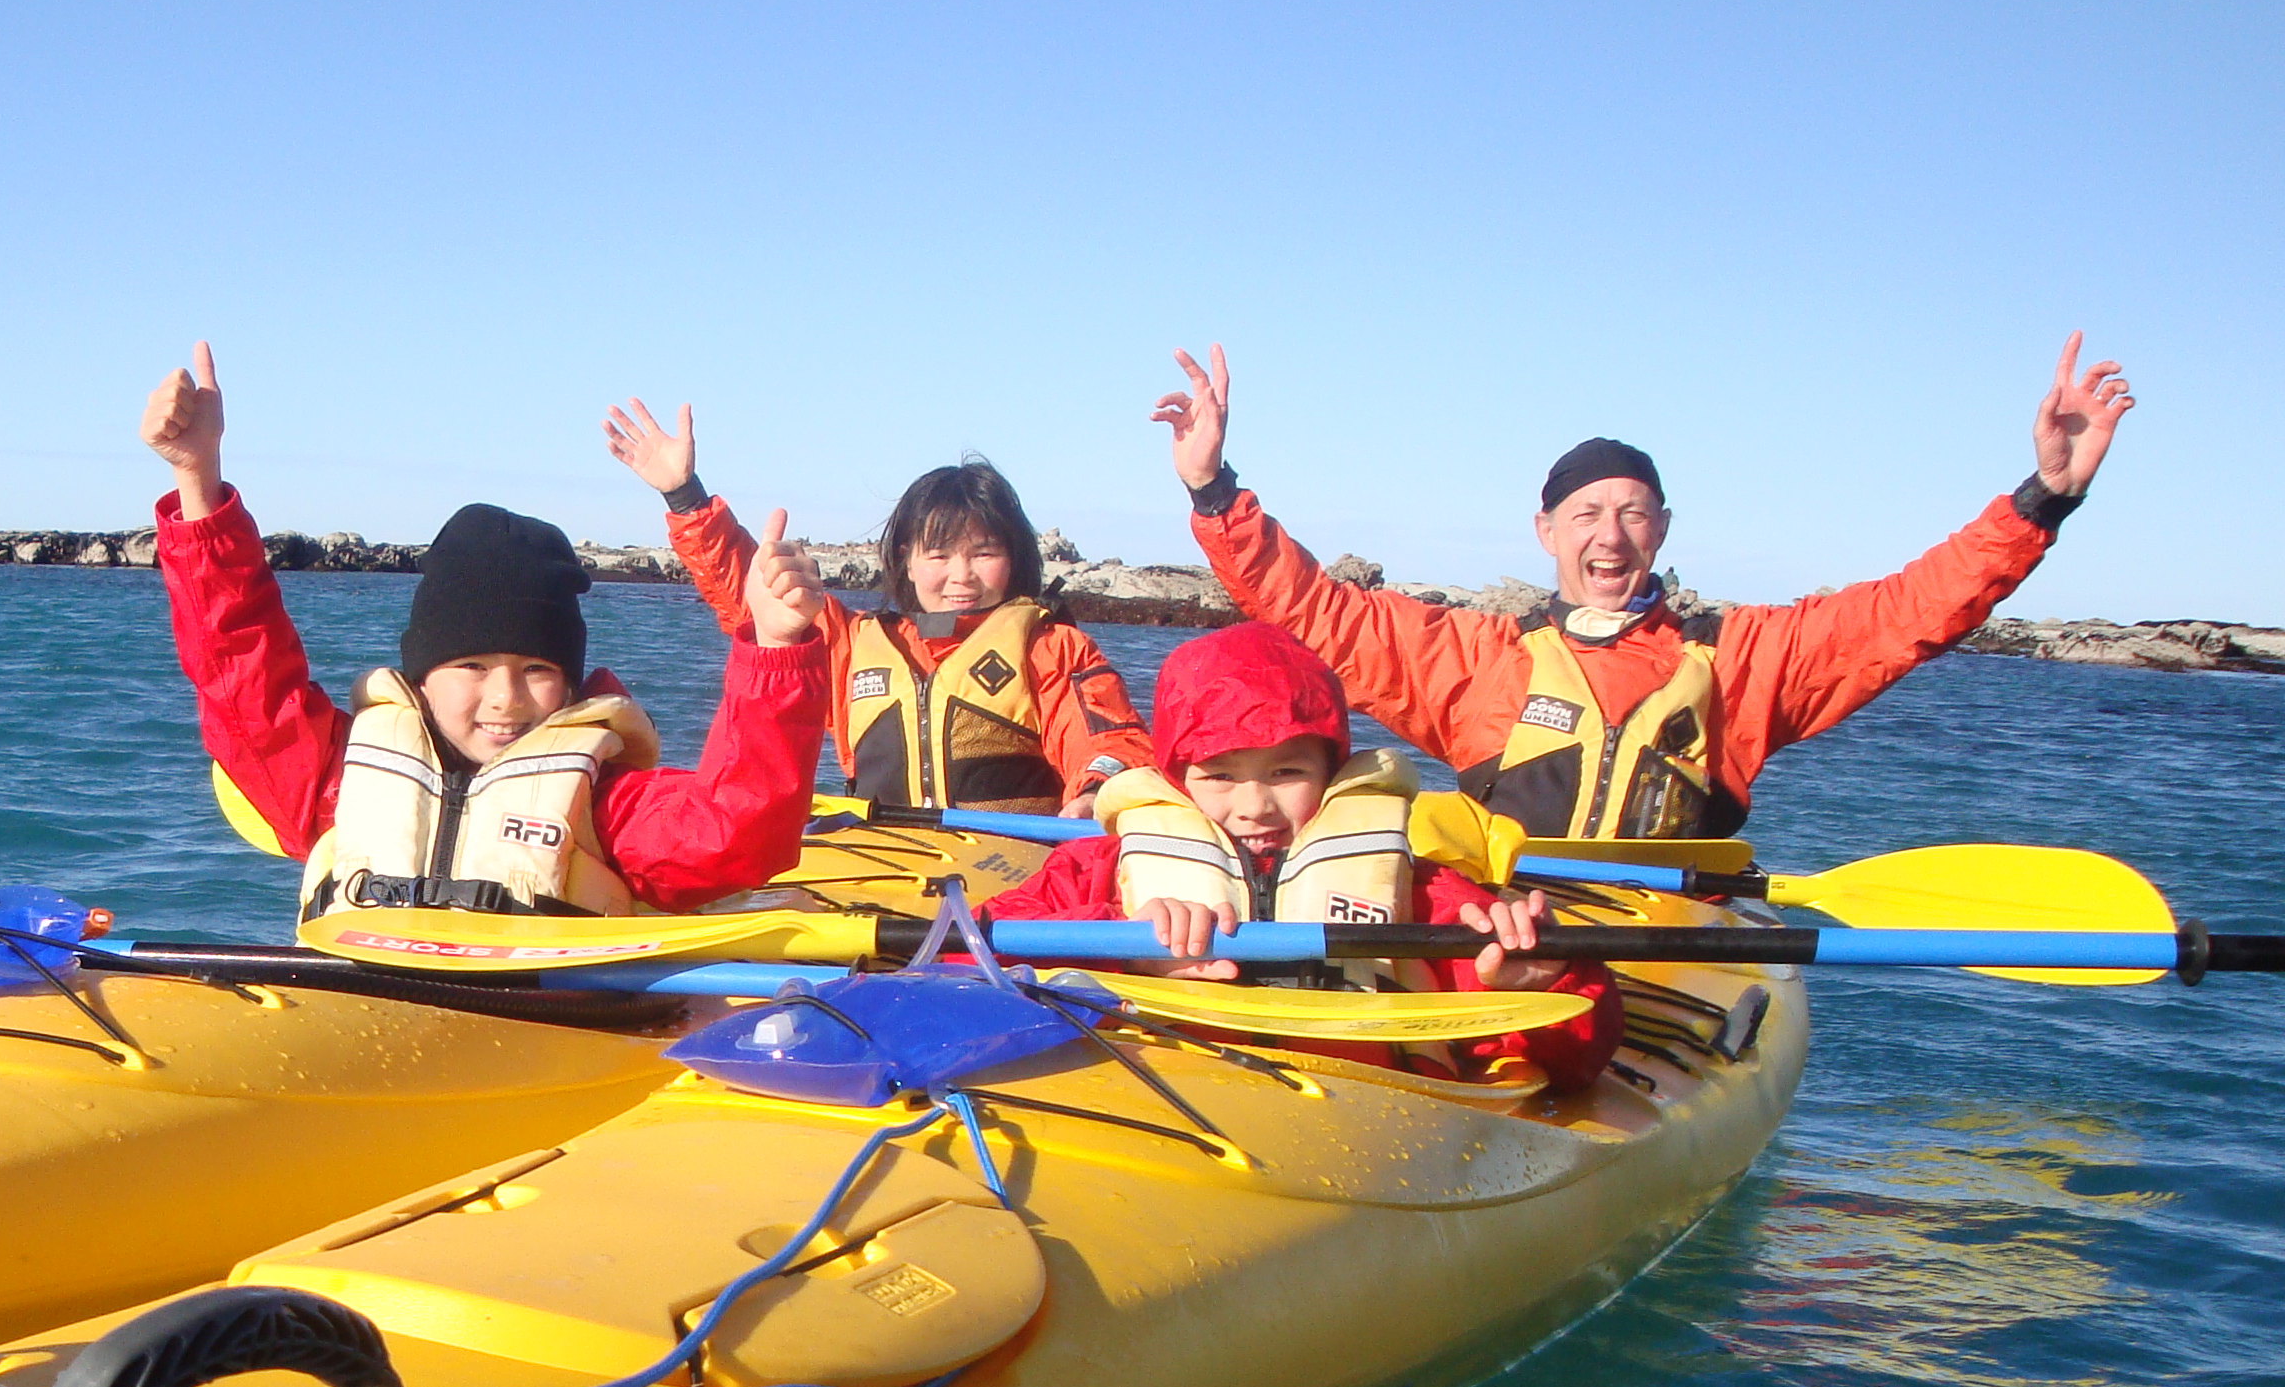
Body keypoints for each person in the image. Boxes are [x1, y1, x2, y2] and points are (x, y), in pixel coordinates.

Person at [1151, 335, 2137, 840]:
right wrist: (1212, 487)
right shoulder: (1475, 662)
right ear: (1546, 535)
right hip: (1509, 927)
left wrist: (2043, 497)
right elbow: (1310, 608)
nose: (1608, 535)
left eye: (1631, 512)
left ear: (1661, 530)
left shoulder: (1739, 662)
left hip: (1672, 947)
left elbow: (1912, 611)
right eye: (1584, 515)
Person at [145, 346, 830, 923]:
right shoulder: (327, 784)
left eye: (535, 668)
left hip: (538, 1042)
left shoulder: (606, 805)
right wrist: (195, 477)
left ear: (568, 683)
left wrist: (777, 649)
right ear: (419, 677)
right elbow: (238, 669)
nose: (504, 698)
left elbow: (739, 832)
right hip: (363, 1026)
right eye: (471, 665)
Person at [988, 620, 1620, 1090]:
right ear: (1177, 777)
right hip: (1156, 1106)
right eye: (1219, 777)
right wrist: (1119, 942)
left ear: (1334, 771)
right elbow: (963, 949)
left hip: (1359, 1125)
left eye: (1286, 771)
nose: (1255, 805)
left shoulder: (1426, 898)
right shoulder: (1094, 874)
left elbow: (1578, 1055)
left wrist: (1551, 981)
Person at [604, 400, 1152, 817]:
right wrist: (685, 497)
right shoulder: (852, 645)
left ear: (1013, 559)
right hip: (888, 875)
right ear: (907, 562)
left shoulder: (1050, 647)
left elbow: (1109, 740)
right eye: (938, 554)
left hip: (1017, 880)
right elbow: (754, 592)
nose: (960, 576)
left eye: (984, 553)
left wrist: (1097, 792)